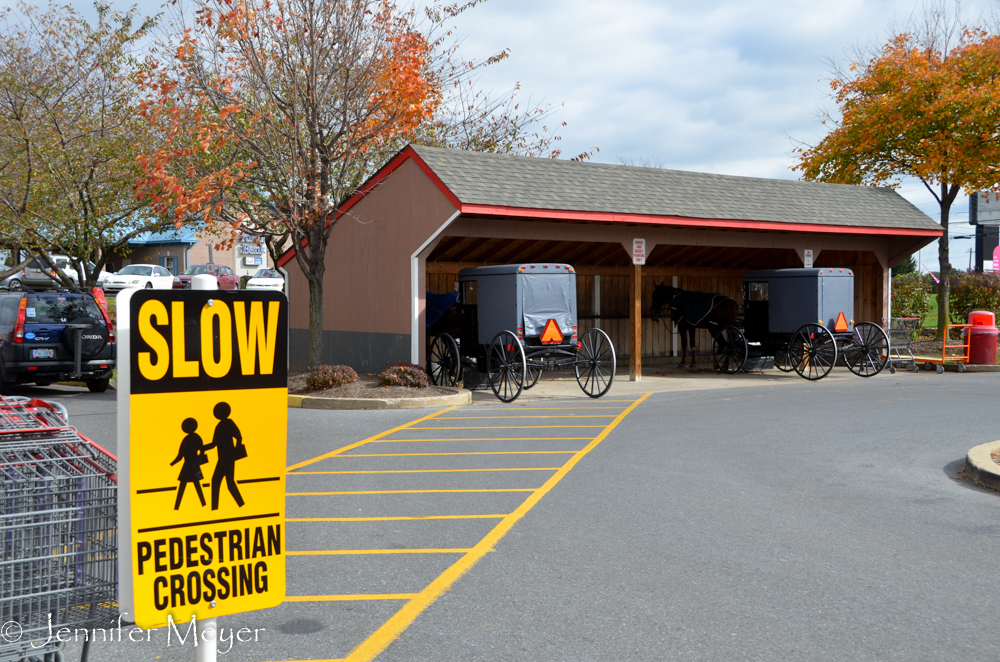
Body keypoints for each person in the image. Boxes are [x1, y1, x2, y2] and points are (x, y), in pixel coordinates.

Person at [209, 402, 246, 510]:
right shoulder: (221, 425)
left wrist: (235, 451)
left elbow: (239, 437)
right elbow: (214, 443)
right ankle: (241, 505)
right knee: (229, 483)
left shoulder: (227, 423)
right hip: (225, 458)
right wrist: (202, 448)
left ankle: (214, 508)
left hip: (225, 458)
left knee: (216, 481)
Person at [170, 418, 208, 510]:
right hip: (194, 464)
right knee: (196, 485)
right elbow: (202, 450)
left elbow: (180, 455)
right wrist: (198, 459)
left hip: (188, 465)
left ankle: (177, 506)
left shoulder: (187, 439)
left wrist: (172, 464)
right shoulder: (197, 437)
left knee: (183, 486)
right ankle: (203, 504)